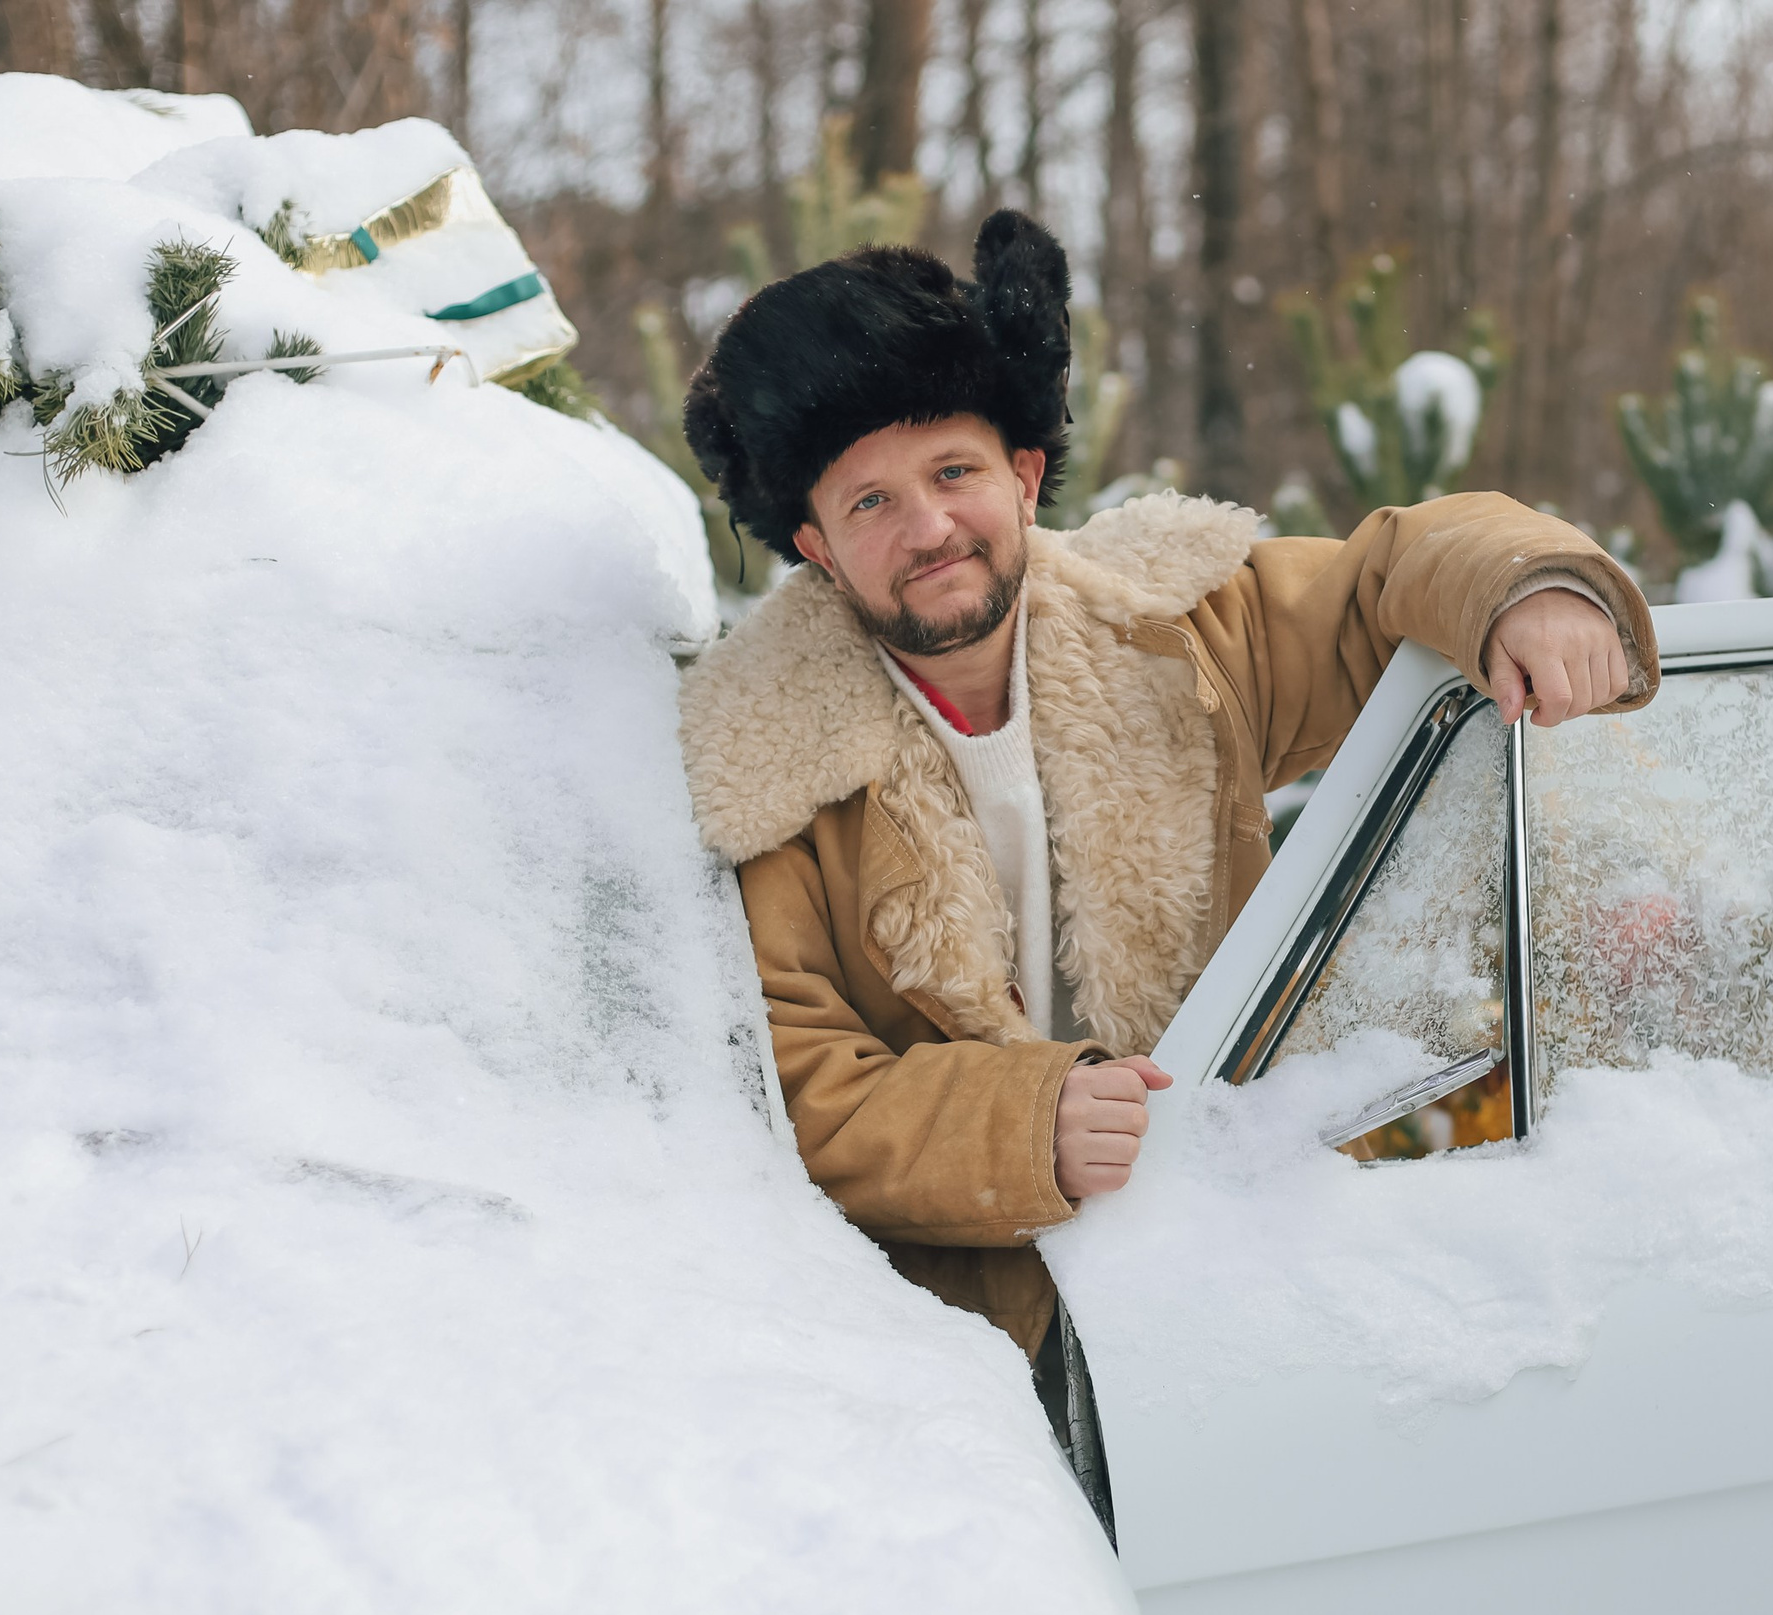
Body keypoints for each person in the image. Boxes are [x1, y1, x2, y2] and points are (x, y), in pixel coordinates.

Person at [674, 210, 1660, 1498]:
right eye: (871, 500)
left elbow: (1389, 574)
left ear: (1025, 476)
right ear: (813, 544)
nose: (929, 528)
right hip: (970, 1346)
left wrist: (1531, 586)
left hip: (1243, 1256)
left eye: (955, 473)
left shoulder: (1186, 626)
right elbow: (793, 1086)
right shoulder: (766, 768)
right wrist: (1024, 1124)